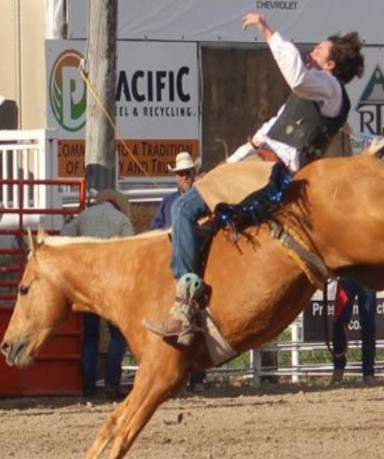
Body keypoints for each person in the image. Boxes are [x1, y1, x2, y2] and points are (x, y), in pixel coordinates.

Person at [144, 12, 364, 344]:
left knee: (182, 209)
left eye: (319, 51)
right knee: (201, 224)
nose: (312, 53)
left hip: (266, 173)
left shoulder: (327, 88)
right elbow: (266, 133)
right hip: (260, 169)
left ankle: (185, 306)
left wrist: (267, 30)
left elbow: (296, 78)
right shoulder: (319, 95)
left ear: (331, 66)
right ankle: (199, 308)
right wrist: (225, 167)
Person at [61, 189, 134, 399]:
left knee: (90, 336)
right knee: (118, 334)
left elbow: (65, 235)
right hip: (112, 283)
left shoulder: (84, 217)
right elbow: (129, 251)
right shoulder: (121, 220)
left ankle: (88, 386)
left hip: (88, 284)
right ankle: (111, 382)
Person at [150, 151, 207, 392]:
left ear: (194, 174)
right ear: (176, 177)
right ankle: (179, 376)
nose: (184, 177)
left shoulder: (203, 199)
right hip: (173, 267)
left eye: (187, 173)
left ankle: (196, 377)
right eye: (181, 174)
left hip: (200, 265)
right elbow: (155, 231)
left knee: (198, 318)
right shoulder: (168, 203)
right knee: (180, 319)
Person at [331, 278, 376, 384]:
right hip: (347, 274)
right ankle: (338, 368)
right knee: (340, 321)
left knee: (368, 325)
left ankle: (368, 372)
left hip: (368, 276)